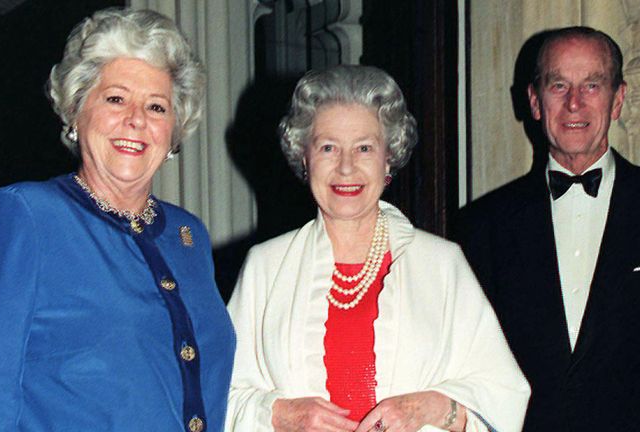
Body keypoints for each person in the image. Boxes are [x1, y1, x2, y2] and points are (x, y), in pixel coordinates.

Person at [0, 8, 235, 431]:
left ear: (174, 130)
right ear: (76, 111)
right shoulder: (25, 215)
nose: (136, 119)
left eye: (157, 106)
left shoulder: (186, 234)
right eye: (116, 99)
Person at [225, 65, 530, 432]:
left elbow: (505, 396)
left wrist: (429, 408)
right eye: (327, 147)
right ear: (305, 159)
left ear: (389, 159)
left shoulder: (441, 264)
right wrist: (279, 414)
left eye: (365, 148)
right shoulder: (265, 267)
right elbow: (217, 395)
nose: (346, 166)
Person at [456, 26, 640, 432]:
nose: (574, 103)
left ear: (618, 100)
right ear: (535, 101)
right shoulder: (481, 227)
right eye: (558, 85)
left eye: (592, 85)